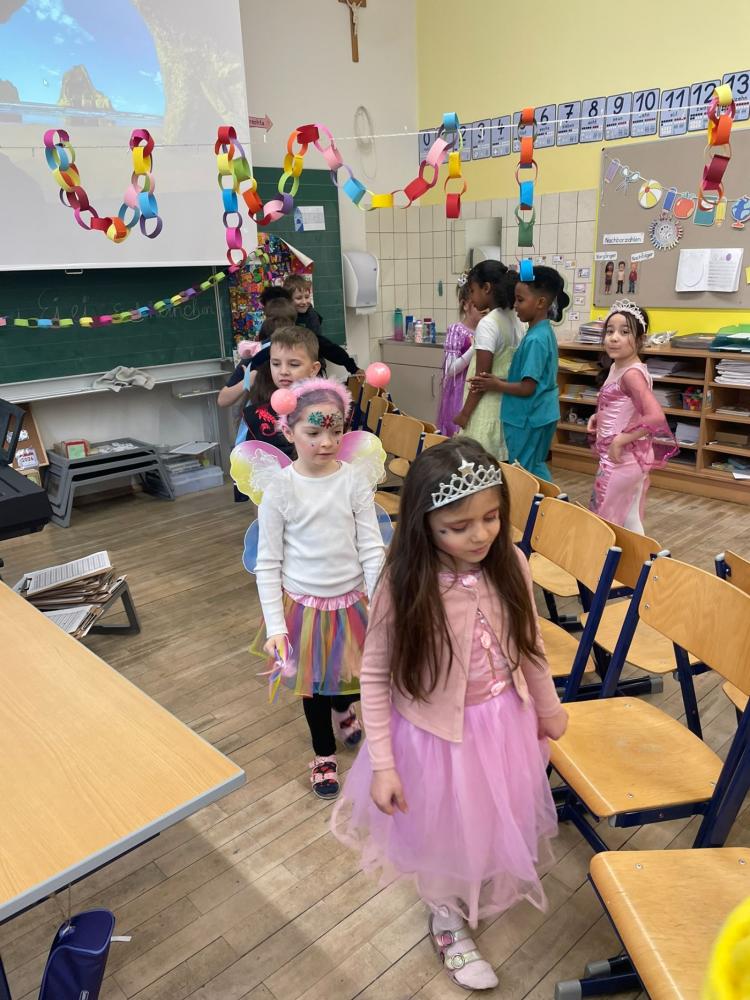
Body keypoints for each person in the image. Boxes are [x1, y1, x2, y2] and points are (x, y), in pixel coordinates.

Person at [332, 438, 567, 991]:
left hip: (503, 722)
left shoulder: (511, 564)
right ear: (425, 526)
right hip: (435, 739)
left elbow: (530, 644)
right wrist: (384, 765)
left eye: (491, 518)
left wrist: (547, 706)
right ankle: (446, 917)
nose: (480, 535)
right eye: (459, 527)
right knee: (441, 830)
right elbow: (375, 675)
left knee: (490, 811)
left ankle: (472, 874)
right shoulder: (403, 584)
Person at [255, 379, 386, 799]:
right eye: (313, 432)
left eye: (336, 431)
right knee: (313, 688)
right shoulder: (280, 488)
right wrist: (276, 626)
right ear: (288, 431)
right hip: (304, 608)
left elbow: (371, 547)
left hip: (353, 602)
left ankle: (344, 708)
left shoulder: (354, 481)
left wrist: (381, 601)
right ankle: (323, 754)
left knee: (354, 676)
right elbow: (268, 563)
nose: (326, 442)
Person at [587, 300, 676, 532]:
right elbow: (624, 405)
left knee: (603, 519)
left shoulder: (631, 375)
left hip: (622, 458)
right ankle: (642, 555)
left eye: (624, 332)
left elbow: (655, 417)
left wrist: (621, 440)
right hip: (631, 454)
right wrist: (599, 416)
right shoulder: (620, 366)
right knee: (630, 517)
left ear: (639, 340)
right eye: (610, 331)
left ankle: (606, 555)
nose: (614, 338)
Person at [472, 265, 566, 481]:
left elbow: (527, 388)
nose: (514, 305)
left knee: (527, 472)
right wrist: (499, 380)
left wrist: (496, 385)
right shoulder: (541, 332)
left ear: (540, 303)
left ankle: (548, 501)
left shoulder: (535, 339)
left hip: (528, 417)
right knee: (533, 465)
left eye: (520, 300)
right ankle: (547, 500)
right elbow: (530, 378)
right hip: (538, 414)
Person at [453, 260, 523, 459]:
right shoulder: (515, 318)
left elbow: (481, 379)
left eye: (472, 290)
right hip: (508, 409)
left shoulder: (489, 323)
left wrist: (464, 414)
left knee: (479, 467)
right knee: (503, 468)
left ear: (486, 288)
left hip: (485, 411)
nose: (471, 298)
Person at [249, 276, 361, 377]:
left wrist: (351, 367)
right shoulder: (278, 320)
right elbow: (265, 349)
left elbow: (325, 346)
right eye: (298, 298)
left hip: (309, 372)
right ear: (288, 300)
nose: (304, 302)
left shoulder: (312, 317)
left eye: (307, 297)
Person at [244, 326, 321, 459]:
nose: (283, 371)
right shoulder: (255, 417)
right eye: (276, 364)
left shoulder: (330, 409)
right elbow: (250, 462)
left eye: (294, 364)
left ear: (313, 369)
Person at [435, 278, 483, 436]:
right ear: (465, 305)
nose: (483, 310)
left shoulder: (486, 329)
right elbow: (450, 370)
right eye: (476, 305)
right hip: (459, 391)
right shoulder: (456, 330)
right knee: (457, 434)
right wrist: (474, 348)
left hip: (476, 388)